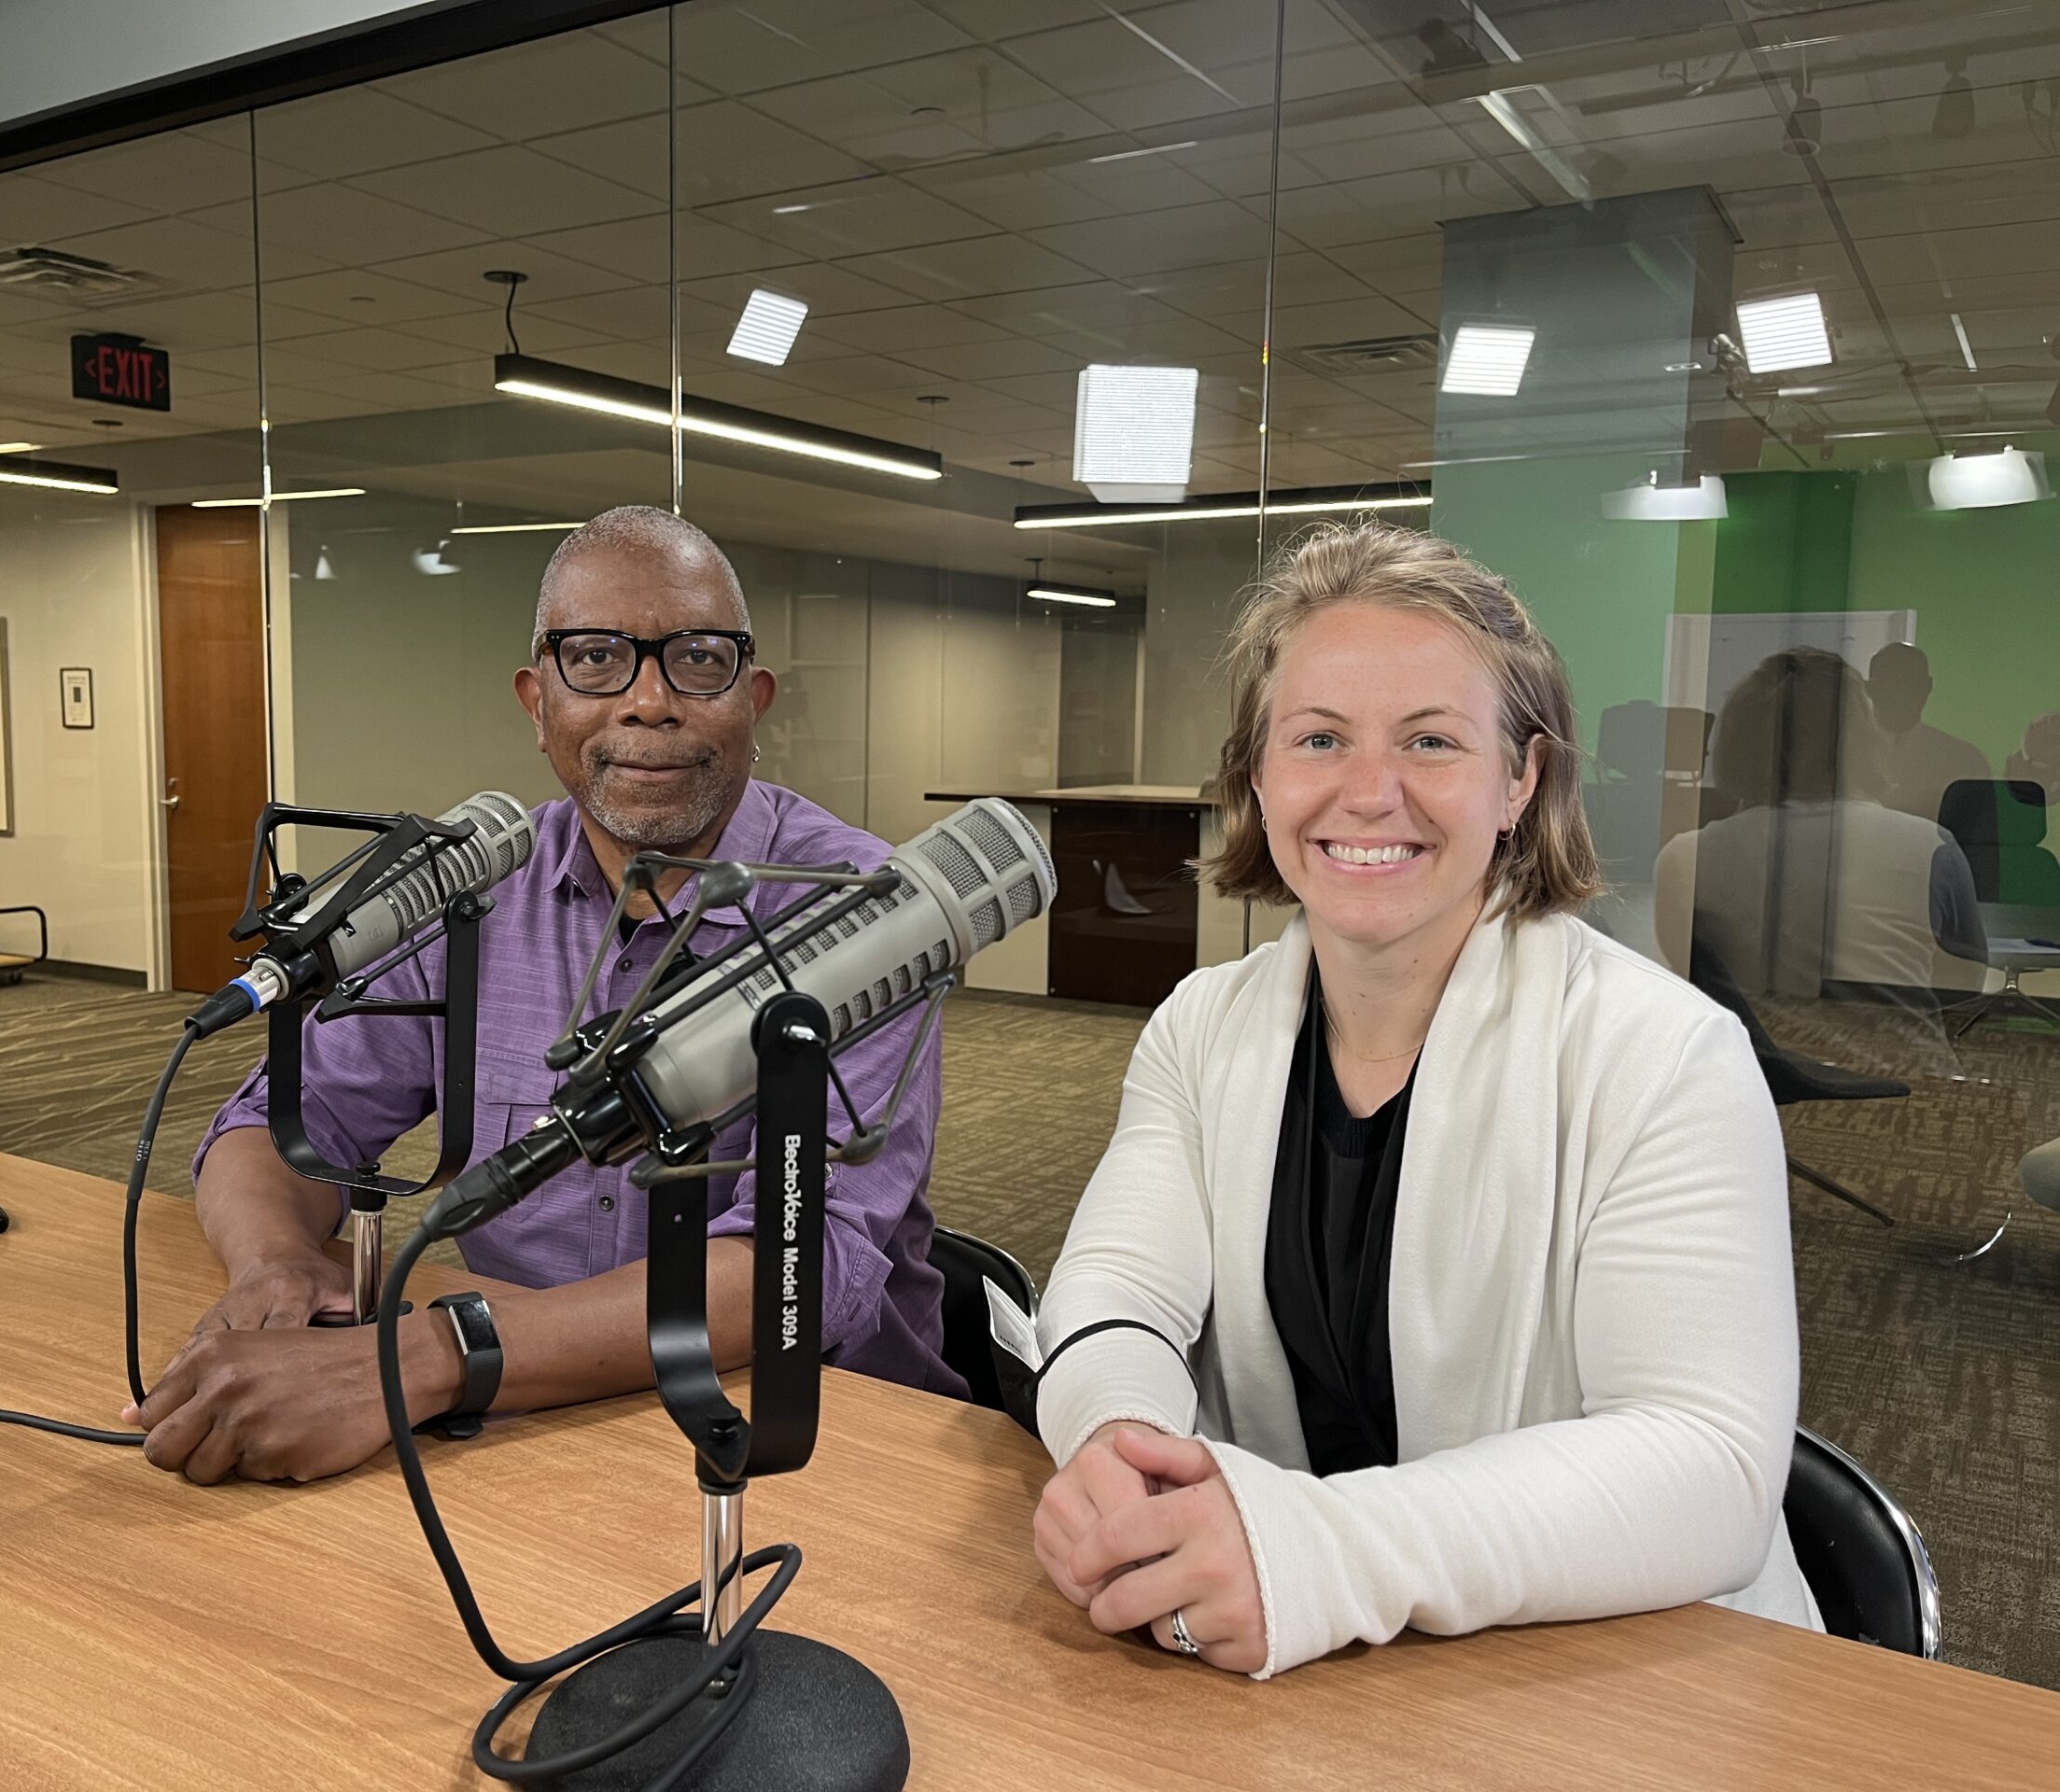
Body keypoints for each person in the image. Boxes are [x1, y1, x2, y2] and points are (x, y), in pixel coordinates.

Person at [1028, 524, 1819, 1679]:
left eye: (1432, 741)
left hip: (1612, 1674)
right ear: (1258, 776)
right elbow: (1114, 1294)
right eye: (1318, 739)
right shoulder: (1201, 1026)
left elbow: (1708, 1468)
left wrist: (1322, 1554)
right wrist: (1117, 1447)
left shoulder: (1666, 1057)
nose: (1367, 791)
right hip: (1296, 1660)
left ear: (1519, 782)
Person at [127, 505, 961, 1485]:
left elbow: (803, 1271)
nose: (649, 702)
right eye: (596, 658)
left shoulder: (867, 915)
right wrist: (275, 1260)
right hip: (527, 1429)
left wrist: (433, 1355)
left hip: (804, 1430)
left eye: (697, 660)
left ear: (754, 697)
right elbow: (278, 1121)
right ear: (536, 702)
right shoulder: (472, 888)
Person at [1653, 649, 1984, 1077]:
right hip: (1907, 1087)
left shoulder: (1685, 858)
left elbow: (1691, 988)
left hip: (1755, 1083)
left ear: (1736, 742)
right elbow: (1963, 983)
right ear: (1865, 742)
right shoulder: (1930, 845)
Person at [1867, 641, 1990, 826]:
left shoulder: (1965, 761)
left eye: (1910, 681)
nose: (1901, 691)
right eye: (1890, 680)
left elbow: (1978, 835)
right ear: (1869, 688)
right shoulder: (1840, 757)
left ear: (1927, 687)